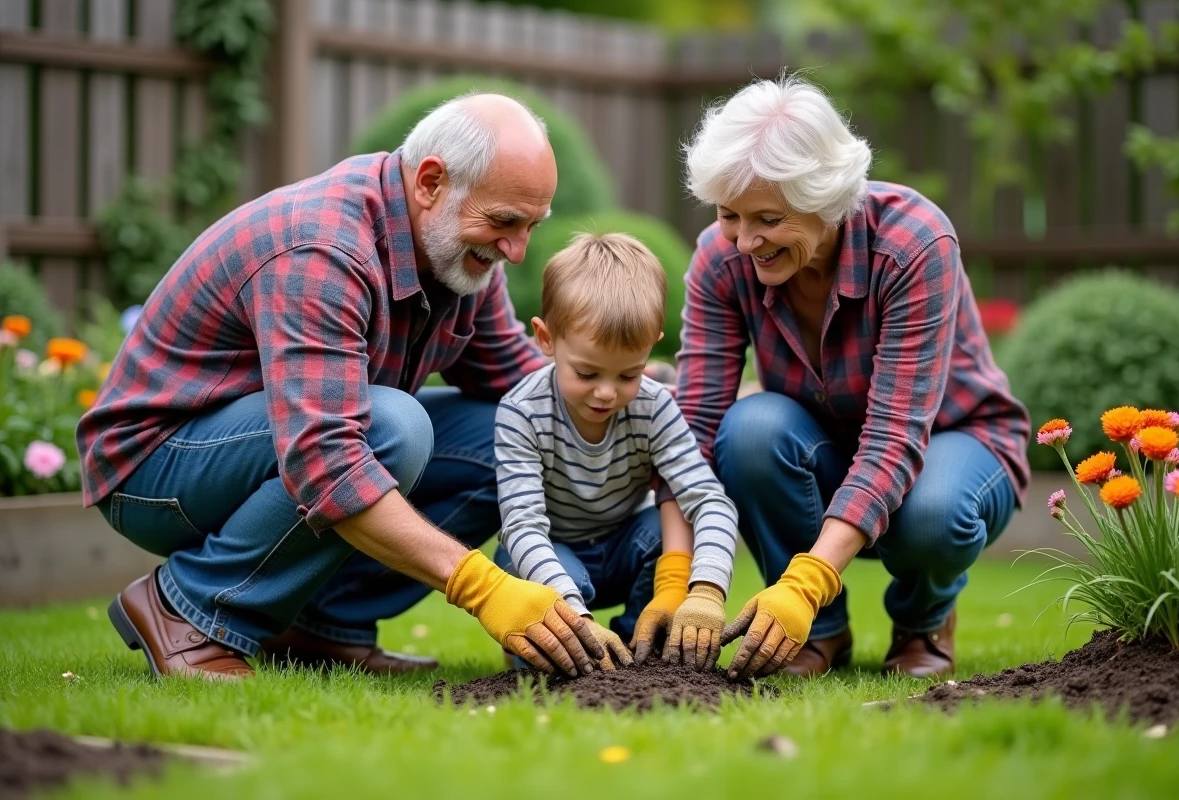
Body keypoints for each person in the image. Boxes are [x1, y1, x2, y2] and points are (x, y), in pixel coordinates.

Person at [76, 93, 607, 680]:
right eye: (505, 221)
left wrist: (643, 417)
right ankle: (188, 607)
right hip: (155, 468)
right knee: (390, 428)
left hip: (280, 448)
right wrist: (483, 587)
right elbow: (326, 458)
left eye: (532, 225)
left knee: (508, 435)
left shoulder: (460, 252)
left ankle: (320, 626)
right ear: (431, 182)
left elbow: (520, 389)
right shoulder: (323, 248)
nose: (517, 249)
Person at [673, 75, 1031, 680]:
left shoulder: (913, 244)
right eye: (729, 214)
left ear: (827, 197)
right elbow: (695, 427)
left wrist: (806, 581)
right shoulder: (721, 256)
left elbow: (893, 437)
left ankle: (923, 622)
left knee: (932, 514)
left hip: (956, 439)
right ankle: (819, 635)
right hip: (828, 445)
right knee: (750, 431)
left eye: (767, 218)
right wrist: (681, 580)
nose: (745, 240)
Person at [493, 233, 739, 672]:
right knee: (517, 563)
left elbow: (709, 500)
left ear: (651, 345)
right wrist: (574, 616)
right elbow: (523, 525)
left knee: (661, 532)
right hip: (554, 548)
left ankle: (638, 650)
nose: (607, 392)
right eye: (586, 373)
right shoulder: (521, 412)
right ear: (546, 339)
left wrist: (704, 589)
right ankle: (569, 653)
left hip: (624, 545)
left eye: (629, 374)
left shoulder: (655, 405)